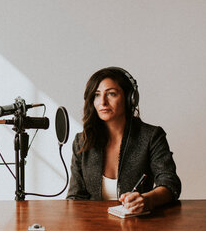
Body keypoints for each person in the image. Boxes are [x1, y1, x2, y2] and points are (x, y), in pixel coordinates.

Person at [66, 67, 181, 213]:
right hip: (92, 227)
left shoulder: (152, 136)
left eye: (111, 94)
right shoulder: (82, 141)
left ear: (129, 98)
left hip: (138, 226)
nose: (103, 102)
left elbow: (170, 183)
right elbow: (75, 197)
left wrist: (147, 200)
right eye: (96, 95)